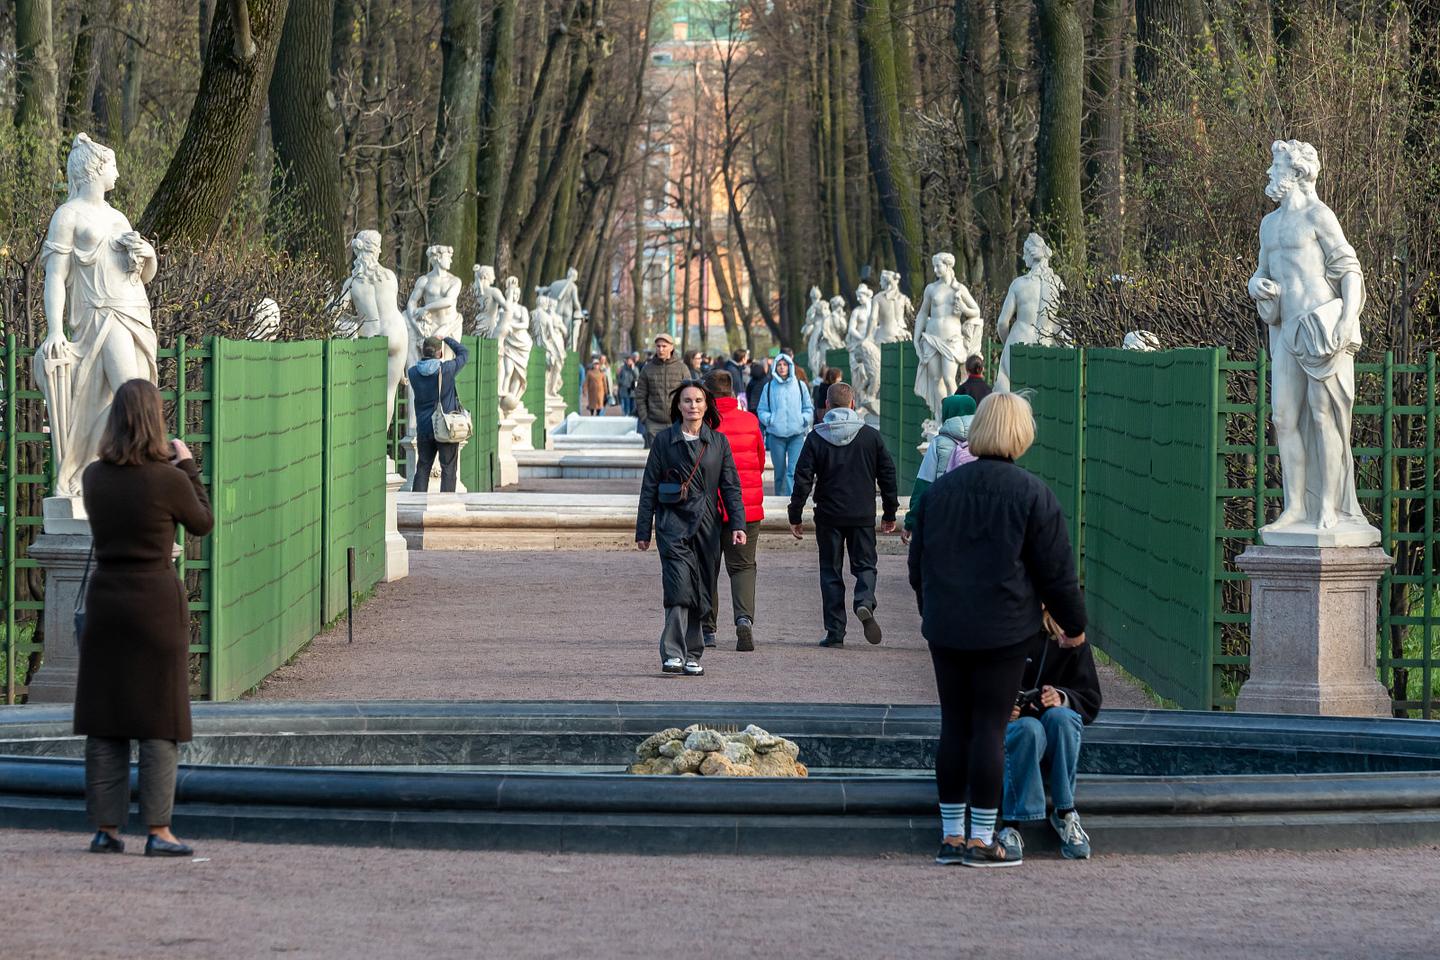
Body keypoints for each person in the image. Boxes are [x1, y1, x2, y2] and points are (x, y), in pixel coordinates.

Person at [908, 392, 1086, 868]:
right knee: (989, 729)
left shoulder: (942, 491)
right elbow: (1057, 573)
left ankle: (950, 836)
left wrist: (934, 611)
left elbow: (917, 564)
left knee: (955, 727)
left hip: (947, 626)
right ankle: (983, 838)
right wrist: (1075, 626)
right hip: (1005, 630)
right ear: (1021, 434)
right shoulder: (1032, 493)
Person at [75, 379, 214, 857]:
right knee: (160, 720)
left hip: (107, 603)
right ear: (157, 420)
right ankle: (158, 831)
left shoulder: (94, 477)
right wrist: (188, 465)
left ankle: (105, 830)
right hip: (155, 602)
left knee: (106, 718)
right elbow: (202, 522)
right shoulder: (169, 480)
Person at [635, 381, 747, 676]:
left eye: (698, 400)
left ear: (707, 405)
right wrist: (643, 530)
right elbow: (649, 487)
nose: (693, 406)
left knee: (701, 589)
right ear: (679, 406)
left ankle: (694, 653)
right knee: (677, 585)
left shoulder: (718, 442)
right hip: (673, 523)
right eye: (687, 400)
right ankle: (672, 651)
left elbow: (731, 486)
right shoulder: (663, 441)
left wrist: (737, 523)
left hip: (708, 525)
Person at [788, 382, 898, 648]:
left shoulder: (816, 437)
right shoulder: (870, 436)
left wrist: (795, 514)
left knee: (830, 572)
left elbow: (803, 478)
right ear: (853, 404)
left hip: (828, 515)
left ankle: (835, 632)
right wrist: (890, 511)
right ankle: (864, 600)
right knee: (866, 565)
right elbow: (887, 474)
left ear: (827, 405)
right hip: (861, 513)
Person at [1003, 610, 1102, 861]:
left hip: (1054, 727)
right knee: (1028, 729)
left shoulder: (1069, 634)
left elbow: (1090, 697)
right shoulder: (999, 626)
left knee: (1062, 718)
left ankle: (1065, 812)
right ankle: (1011, 824)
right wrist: (1002, 705)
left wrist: (1061, 696)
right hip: (1016, 726)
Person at [701, 370, 765, 652]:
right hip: (747, 507)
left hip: (710, 508)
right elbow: (760, 461)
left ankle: (707, 629)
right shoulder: (750, 421)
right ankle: (743, 619)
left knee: (707, 568)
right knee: (743, 567)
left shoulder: (704, 424)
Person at [902, 394, 977, 539]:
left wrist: (910, 521)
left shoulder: (939, 443)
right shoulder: (986, 440)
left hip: (945, 515)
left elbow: (924, 485)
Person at [407, 334, 470, 492]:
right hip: (445, 427)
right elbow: (464, 353)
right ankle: (446, 505)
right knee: (448, 468)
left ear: (423, 351)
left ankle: (416, 503)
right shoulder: (446, 370)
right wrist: (447, 339)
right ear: (440, 353)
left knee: (423, 467)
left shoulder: (413, 373)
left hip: (424, 428)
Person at [755, 354, 813, 496]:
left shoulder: (800, 385)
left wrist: (803, 419)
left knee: (793, 471)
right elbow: (761, 409)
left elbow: (808, 407)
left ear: (790, 366)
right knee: (779, 472)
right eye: (779, 365)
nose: (782, 368)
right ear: (775, 367)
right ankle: (779, 498)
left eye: (785, 365)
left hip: (796, 434)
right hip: (776, 435)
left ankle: (791, 501)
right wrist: (770, 420)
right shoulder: (769, 387)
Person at [633, 333, 687, 447]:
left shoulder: (682, 368)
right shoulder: (647, 369)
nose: (661, 349)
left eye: (664, 346)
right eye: (658, 346)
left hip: (677, 423)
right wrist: (645, 419)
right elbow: (640, 395)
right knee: (656, 462)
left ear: (671, 347)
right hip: (653, 424)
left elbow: (688, 394)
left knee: (675, 461)